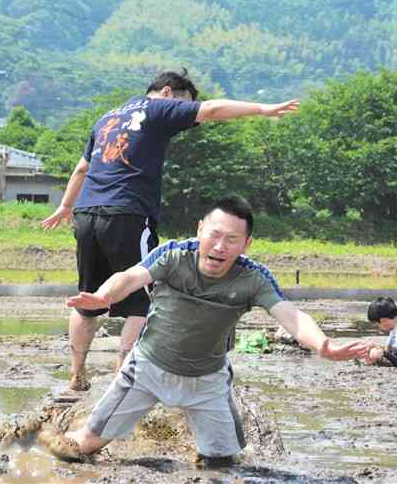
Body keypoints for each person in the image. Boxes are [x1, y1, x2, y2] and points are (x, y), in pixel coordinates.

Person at [45, 195, 369, 461]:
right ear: (200, 229)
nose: (220, 246)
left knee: (224, 463)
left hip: (208, 382)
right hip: (147, 369)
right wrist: (103, 297)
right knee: (79, 447)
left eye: (232, 239)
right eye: (214, 234)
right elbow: (130, 277)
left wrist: (324, 346)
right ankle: (30, 437)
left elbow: (291, 315)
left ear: (246, 244)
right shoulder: (173, 255)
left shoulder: (253, 277)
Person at [42, 69, 301, 391]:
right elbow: (212, 110)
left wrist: (66, 207)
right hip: (128, 213)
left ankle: (77, 376)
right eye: (185, 105)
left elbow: (83, 167)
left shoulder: (108, 117)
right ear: (168, 93)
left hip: (86, 213)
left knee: (87, 300)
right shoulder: (155, 108)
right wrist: (262, 109)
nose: (185, 117)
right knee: (143, 299)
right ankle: (123, 381)